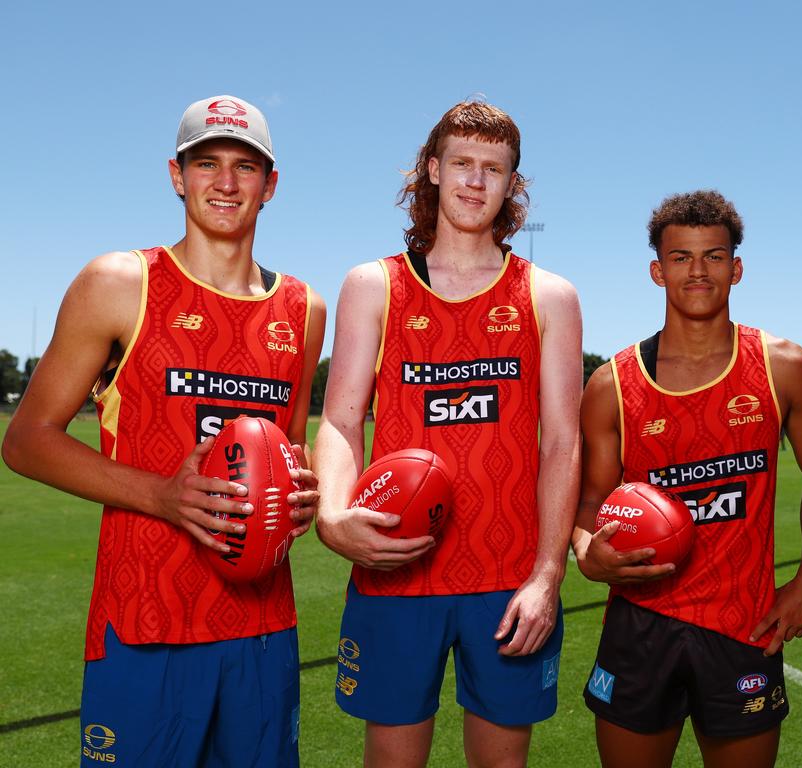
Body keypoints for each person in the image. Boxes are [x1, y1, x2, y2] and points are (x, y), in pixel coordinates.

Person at [1, 94, 326, 767]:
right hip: (146, 622)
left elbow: (288, 449)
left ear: (271, 184)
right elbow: (27, 438)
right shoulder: (119, 281)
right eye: (206, 164)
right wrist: (163, 496)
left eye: (245, 167)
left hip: (263, 628)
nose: (227, 183)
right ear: (177, 176)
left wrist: (302, 494)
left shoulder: (303, 308)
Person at [313, 101, 582, 767]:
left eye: (493, 169)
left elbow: (562, 443)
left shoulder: (549, 296)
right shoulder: (371, 286)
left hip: (508, 579)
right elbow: (342, 420)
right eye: (461, 162)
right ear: (432, 170)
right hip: (397, 569)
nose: (474, 180)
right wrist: (331, 515)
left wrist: (548, 575)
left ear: (512, 186)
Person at [572, 191, 802, 768]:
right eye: (681, 257)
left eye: (714, 256)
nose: (697, 271)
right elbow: (591, 498)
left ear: (736, 268)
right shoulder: (612, 384)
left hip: (744, 625)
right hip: (641, 623)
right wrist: (587, 550)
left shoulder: (783, 365)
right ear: (656, 269)